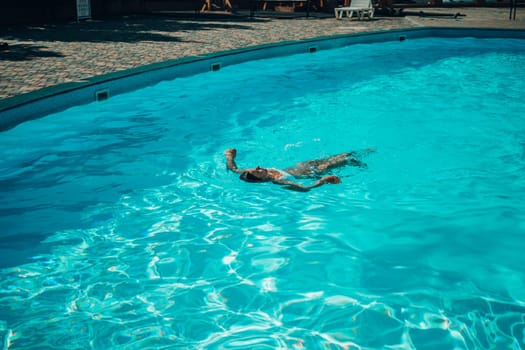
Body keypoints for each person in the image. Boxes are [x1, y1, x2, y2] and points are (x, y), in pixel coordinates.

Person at [224, 148, 374, 192]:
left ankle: (366, 153)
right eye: (256, 171)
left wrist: (229, 156)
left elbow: (233, 169)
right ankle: (368, 155)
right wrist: (323, 181)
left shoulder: (259, 172)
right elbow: (304, 188)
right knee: (346, 159)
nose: (257, 167)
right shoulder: (278, 181)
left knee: (345, 154)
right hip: (315, 171)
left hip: (307, 163)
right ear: (261, 179)